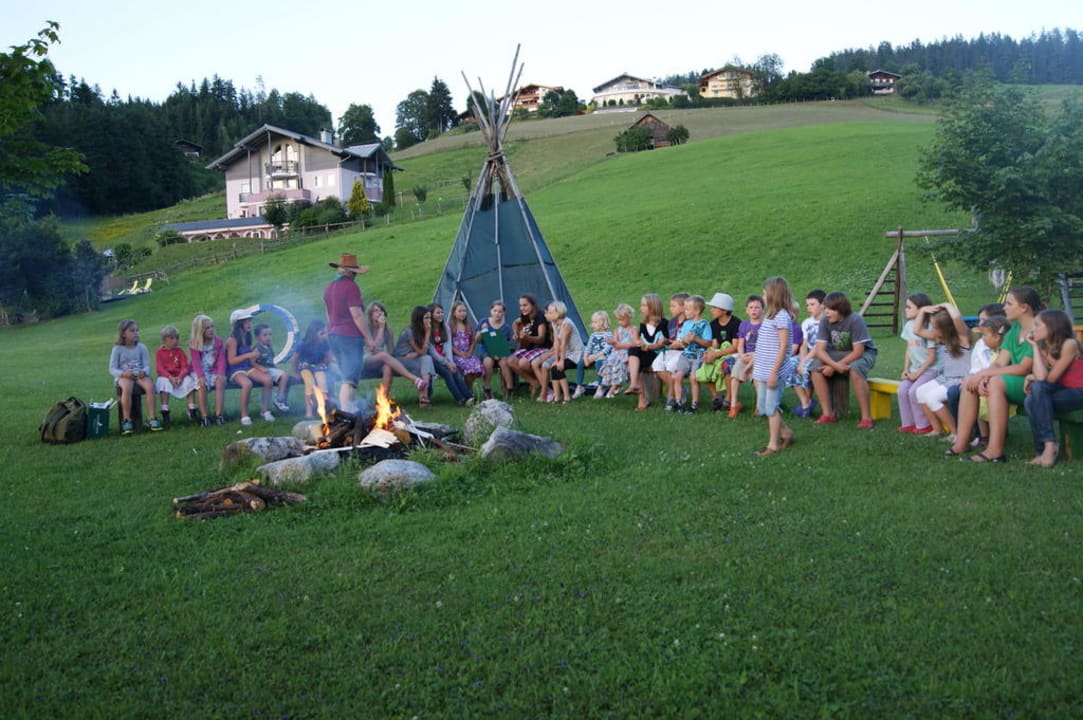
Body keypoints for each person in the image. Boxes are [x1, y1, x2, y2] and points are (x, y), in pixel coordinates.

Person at [947, 286, 1042, 462]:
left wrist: (989, 376)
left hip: (1036, 383)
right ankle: (962, 442)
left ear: (1024, 308)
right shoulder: (1014, 330)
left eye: (1009, 303)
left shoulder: (1039, 329)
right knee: (971, 381)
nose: (1004, 308)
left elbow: (1024, 368)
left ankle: (995, 450)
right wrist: (982, 375)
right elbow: (999, 361)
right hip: (1016, 381)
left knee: (995, 382)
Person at [809, 291, 879, 428]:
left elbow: (858, 352)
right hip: (839, 353)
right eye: (825, 309)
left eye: (830, 309)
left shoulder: (855, 320)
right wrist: (834, 365)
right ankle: (828, 414)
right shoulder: (825, 320)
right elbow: (819, 350)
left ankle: (866, 418)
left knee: (855, 368)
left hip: (864, 353)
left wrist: (834, 366)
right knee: (815, 366)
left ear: (841, 309)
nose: (826, 312)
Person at [1024, 309, 1083, 467]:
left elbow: (1049, 378)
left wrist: (1031, 377)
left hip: (1080, 391)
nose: (1033, 329)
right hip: (1065, 389)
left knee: (1037, 396)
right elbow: (1042, 376)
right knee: (1031, 400)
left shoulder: (1070, 344)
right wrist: (1036, 348)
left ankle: (1050, 445)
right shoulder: (1047, 346)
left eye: (1037, 325)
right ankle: (1042, 450)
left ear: (1052, 326)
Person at [913, 303, 972, 441]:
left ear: (945, 328)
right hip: (945, 378)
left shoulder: (962, 338)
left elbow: (956, 317)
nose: (932, 329)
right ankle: (937, 428)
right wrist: (922, 311)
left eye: (935, 326)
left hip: (960, 379)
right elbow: (917, 331)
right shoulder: (943, 338)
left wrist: (946, 305)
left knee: (931, 398)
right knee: (920, 392)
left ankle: (956, 433)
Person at [324, 252, 375, 412]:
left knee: (347, 376)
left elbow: (328, 314)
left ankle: (351, 409)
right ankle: (347, 413)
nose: (355, 275)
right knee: (349, 379)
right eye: (354, 272)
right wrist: (369, 338)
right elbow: (357, 314)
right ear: (349, 271)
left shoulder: (329, 287)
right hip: (349, 337)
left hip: (334, 336)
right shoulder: (350, 287)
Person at [753, 277, 797, 456]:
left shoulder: (782, 317)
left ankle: (773, 445)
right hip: (763, 370)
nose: (763, 296)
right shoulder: (770, 315)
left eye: (764, 293)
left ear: (773, 295)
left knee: (771, 408)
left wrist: (773, 373)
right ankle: (786, 432)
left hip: (774, 371)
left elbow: (784, 346)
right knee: (763, 407)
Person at [361, 302, 429, 401]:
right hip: (364, 360)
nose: (379, 313)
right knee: (383, 355)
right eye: (376, 311)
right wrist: (381, 327)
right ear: (370, 314)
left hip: (380, 361)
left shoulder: (388, 331)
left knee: (387, 367)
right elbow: (372, 349)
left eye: (381, 310)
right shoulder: (365, 329)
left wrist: (412, 354)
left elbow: (391, 351)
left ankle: (382, 400)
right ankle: (414, 379)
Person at [897, 293, 939, 434]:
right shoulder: (909, 325)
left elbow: (932, 356)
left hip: (932, 370)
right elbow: (909, 349)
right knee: (902, 390)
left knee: (914, 391)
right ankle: (908, 423)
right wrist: (906, 369)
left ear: (922, 310)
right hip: (915, 370)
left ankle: (923, 425)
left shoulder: (929, 328)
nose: (906, 310)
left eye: (909, 307)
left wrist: (917, 374)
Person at [110, 319, 162, 434]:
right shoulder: (117, 349)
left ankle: (152, 417)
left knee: (150, 386)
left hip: (139, 375)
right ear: (123, 334)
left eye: (137, 330)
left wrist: (144, 372)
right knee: (127, 387)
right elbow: (112, 369)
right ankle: (126, 420)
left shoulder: (141, 347)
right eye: (132, 330)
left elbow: (147, 366)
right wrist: (123, 374)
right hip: (124, 376)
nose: (136, 333)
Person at [226, 308, 275, 426]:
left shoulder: (247, 336)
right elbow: (231, 360)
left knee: (268, 380)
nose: (249, 324)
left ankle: (265, 410)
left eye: (250, 321)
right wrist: (249, 355)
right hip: (235, 370)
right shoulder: (232, 340)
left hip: (247, 367)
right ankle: (244, 415)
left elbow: (251, 357)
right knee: (247, 384)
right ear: (238, 324)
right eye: (246, 321)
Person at [667, 295, 712, 413]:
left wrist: (696, 339)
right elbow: (682, 343)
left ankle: (694, 405)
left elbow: (708, 343)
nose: (684, 311)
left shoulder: (704, 324)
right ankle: (678, 402)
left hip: (698, 356)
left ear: (696, 311)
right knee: (677, 376)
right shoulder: (686, 324)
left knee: (693, 378)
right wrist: (684, 341)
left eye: (687, 309)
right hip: (686, 355)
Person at [696, 292, 741, 412]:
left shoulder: (736, 323)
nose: (712, 310)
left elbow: (735, 347)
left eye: (715, 308)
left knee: (727, 365)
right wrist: (710, 353)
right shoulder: (713, 324)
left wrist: (716, 354)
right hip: (720, 352)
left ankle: (728, 398)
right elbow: (715, 344)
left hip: (734, 353)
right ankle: (716, 396)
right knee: (704, 366)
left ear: (725, 310)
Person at [392, 306, 439, 407]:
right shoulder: (409, 332)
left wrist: (416, 354)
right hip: (400, 361)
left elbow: (424, 352)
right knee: (426, 360)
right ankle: (424, 396)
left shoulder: (422, 330)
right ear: (419, 319)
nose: (429, 320)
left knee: (427, 359)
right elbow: (422, 351)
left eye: (430, 318)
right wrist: (427, 333)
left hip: (413, 358)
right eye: (426, 318)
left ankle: (424, 397)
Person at [428, 303, 473, 405]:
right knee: (447, 373)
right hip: (432, 359)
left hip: (444, 358)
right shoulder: (428, 329)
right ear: (431, 314)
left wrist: (451, 362)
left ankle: (469, 397)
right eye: (438, 313)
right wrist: (446, 363)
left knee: (455, 371)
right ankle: (460, 399)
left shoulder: (445, 328)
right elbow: (431, 351)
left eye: (442, 312)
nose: (441, 315)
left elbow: (448, 347)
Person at [789, 290, 825, 418]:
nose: (809, 308)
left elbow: (818, 347)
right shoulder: (806, 322)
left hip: (822, 354)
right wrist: (801, 359)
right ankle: (805, 401)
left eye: (812, 304)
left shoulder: (826, 322)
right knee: (790, 364)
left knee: (805, 368)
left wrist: (803, 362)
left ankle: (807, 404)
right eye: (807, 305)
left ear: (823, 305)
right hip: (809, 354)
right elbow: (804, 345)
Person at [727, 295, 764, 418]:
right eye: (751, 307)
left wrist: (755, 356)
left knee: (757, 379)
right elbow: (741, 344)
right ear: (746, 310)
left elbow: (766, 346)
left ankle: (760, 406)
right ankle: (734, 405)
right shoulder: (744, 325)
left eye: (757, 307)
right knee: (735, 375)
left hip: (760, 357)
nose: (754, 310)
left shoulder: (765, 325)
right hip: (746, 356)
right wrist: (742, 356)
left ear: (762, 309)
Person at [154, 324, 199, 425]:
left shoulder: (180, 351)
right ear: (164, 340)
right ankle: (165, 411)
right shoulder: (159, 352)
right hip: (167, 377)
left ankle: (191, 409)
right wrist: (170, 377)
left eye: (177, 338)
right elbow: (159, 368)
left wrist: (180, 377)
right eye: (172, 338)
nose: (175, 341)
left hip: (179, 377)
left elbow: (185, 366)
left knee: (189, 381)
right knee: (163, 383)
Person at [508, 294, 550, 398]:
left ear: (533, 305)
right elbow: (515, 323)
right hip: (529, 347)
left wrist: (527, 337)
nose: (522, 308)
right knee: (510, 361)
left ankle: (545, 388)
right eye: (520, 305)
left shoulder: (540, 316)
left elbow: (541, 339)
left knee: (523, 363)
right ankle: (534, 382)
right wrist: (516, 333)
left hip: (542, 347)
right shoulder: (525, 316)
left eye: (525, 305)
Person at [632, 294, 668, 411]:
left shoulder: (664, 324)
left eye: (643, 305)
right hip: (646, 353)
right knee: (633, 352)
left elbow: (663, 344)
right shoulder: (643, 325)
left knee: (636, 361)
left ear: (653, 307)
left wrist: (646, 347)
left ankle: (640, 395)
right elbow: (641, 340)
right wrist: (640, 343)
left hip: (659, 354)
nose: (640, 308)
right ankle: (638, 391)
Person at [189, 314, 227, 426]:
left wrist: (221, 374)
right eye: (207, 328)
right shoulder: (195, 344)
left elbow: (221, 360)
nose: (211, 330)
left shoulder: (218, 342)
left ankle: (219, 414)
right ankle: (204, 416)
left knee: (220, 382)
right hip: (198, 371)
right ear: (199, 330)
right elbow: (196, 363)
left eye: (212, 326)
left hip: (213, 370)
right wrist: (200, 377)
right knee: (202, 385)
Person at [654, 292, 689, 410]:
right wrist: (664, 341)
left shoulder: (689, 322)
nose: (670, 308)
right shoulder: (672, 322)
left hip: (683, 353)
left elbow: (687, 342)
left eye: (673, 306)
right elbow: (672, 339)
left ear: (684, 307)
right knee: (657, 365)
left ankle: (671, 396)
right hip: (671, 350)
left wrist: (676, 344)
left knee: (670, 366)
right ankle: (679, 389)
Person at [546, 301, 585, 404]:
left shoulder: (567, 324)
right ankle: (557, 396)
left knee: (558, 368)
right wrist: (556, 360)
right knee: (554, 368)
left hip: (576, 353)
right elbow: (556, 343)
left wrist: (561, 361)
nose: (548, 314)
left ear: (558, 313)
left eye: (550, 312)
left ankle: (567, 396)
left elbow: (563, 343)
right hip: (567, 352)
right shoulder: (554, 323)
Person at [293, 320, 333, 419]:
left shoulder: (324, 343)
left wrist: (325, 364)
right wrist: (295, 373)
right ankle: (309, 410)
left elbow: (329, 357)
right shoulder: (303, 345)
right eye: (322, 333)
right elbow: (294, 359)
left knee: (322, 381)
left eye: (325, 333)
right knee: (309, 382)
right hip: (305, 367)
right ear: (313, 334)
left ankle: (324, 407)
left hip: (318, 367)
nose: (325, 335)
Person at [476, 300, 514, 400]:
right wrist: (482, 331)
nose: (497, 313)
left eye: (500, 311)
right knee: (488, 362)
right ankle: (487, 388)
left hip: (499, 351)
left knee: (504, 362)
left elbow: (504, 343)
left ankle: (509, 389)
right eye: (495, 311)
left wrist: (499, 353)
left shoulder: (506, 327)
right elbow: (477, 340)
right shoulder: (484, 322)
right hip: (486, 350)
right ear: (491, 311)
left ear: (503, 313)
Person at [598, 303, 638, 398]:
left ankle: (613, 389)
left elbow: (635, 344)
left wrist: (621, 345)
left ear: (629, 317)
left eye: (622, 320)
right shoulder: (617, 330)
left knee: (620, 363)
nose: (620, 322)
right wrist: (611, 341)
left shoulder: (634, 330)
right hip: (617, 352)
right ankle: (614, 386)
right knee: (610, 362)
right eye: (618, 320)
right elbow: (616, 344)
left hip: (628, 353)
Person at [253, 323, 291, 413]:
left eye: (270, 334)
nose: (268, 337)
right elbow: (251, 363)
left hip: (269, 369)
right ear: (258, 337)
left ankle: (280, 398)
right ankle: (279, 399)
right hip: (262, 371)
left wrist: (276, 367)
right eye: (265, 335)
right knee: (284, 376)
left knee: (286, 376)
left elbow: (271, 361)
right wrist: (260, 368)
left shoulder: (269, 347)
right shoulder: (257, 349)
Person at [449, 300, 485, 394]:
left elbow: (473, 341)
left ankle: (467, 386)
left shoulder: (468, 327)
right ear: (454, 313)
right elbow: (449, 344)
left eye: (464, 311)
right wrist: (460, 353)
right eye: (460, 311)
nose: (462, 313)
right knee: (468, 369)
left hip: (468, 354)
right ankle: (469, 392)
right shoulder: (450, 327)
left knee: (478, 368)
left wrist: (470, 352)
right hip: (456, 355)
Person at [577, 310, 614, 399]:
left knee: (599, 363)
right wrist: (586, 357)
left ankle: (600, 387)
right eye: (592, 322)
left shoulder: (609, 334)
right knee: (580, 363)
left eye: (595, 322)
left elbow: (606, 349)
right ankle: (579, 386)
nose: (592, 324)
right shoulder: (593, 335)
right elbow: (588, 347)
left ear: (602, 323)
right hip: (592, 356)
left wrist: (594, 357)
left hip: (604, 357)